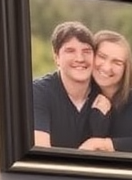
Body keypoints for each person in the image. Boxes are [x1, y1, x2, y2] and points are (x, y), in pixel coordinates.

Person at [83, 30, 132, 154]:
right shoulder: (82, 91)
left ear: (126, 68)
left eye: (117, 62)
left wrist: (97, 143)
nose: (107, 67)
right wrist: (100, 115)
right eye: (102, 57)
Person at [33, 21, 97, 149]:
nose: (80, 58)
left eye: (86, 51)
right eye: (70, 51)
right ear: (56, 57)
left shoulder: (105, 92)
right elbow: (41, 154)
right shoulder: (38, 92)